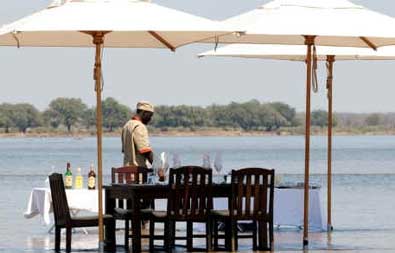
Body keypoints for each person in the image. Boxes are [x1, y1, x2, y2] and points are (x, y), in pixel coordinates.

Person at [121, 101, 154, 167]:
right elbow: (145, 151)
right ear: (143, 113)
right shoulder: (139, 126)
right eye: (149, 115)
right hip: (137, 171)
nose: (150, 119)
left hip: (126, 170)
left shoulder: (127, 125)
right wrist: (158, 166)